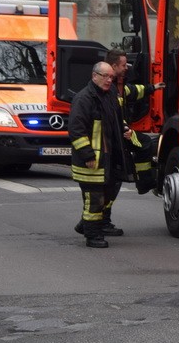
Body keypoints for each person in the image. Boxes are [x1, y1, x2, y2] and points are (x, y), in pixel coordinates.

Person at [68, 62, 132, 248]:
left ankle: (86, 225)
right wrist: (87, 155)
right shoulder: (84, 99)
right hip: (91, 161)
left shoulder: (110, 95)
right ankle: (92, 235)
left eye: (111, 77)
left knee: (108, 194)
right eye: (105, 76)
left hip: (108, 159)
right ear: (94, 75)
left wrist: (125, 130)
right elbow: (76, 130)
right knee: (94, 199)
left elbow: (116, 122)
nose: (109, 80)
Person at [105, 49, 163, 196]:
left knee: (144, 143)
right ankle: (144, 182)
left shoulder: (118, 86)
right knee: (144, 143)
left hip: (119, 130)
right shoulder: (109, 88)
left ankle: (143, 181)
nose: (127, 67)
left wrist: (153, 88)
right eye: (124, 65)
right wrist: (125, 128)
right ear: (114, 66)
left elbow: (135, 90)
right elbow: (113, 113)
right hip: (117, 132)